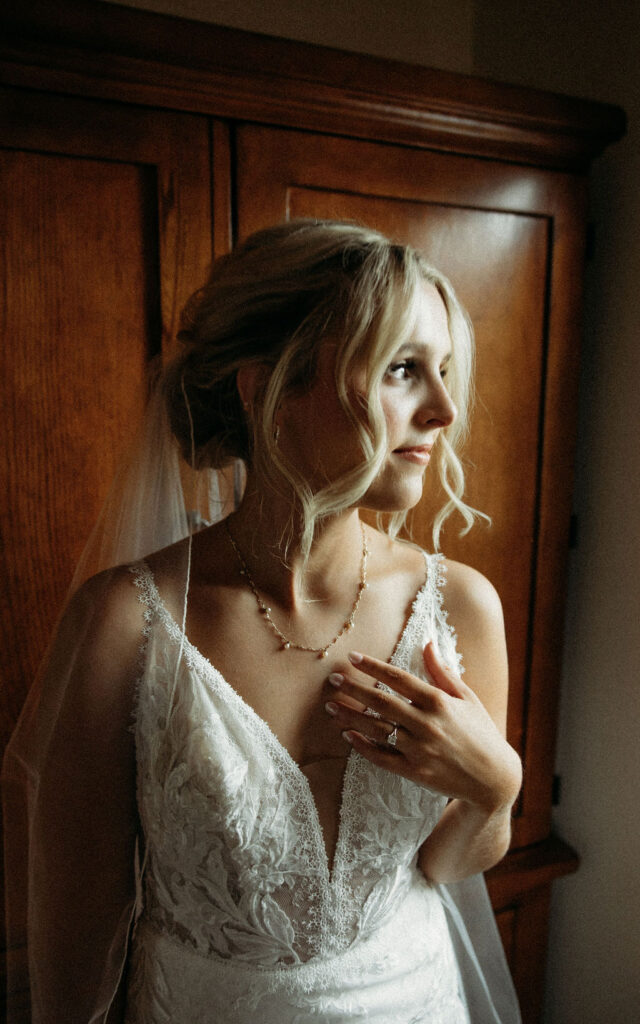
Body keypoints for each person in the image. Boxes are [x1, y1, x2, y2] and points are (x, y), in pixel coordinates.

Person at [3, 220, 523, 1023]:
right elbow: (79, 928)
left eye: (445, 370)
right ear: (266, 386)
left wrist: (497, 791)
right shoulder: (126, 625)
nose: (445, 410)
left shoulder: (459, 608)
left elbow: (445, 865)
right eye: (402, 369)